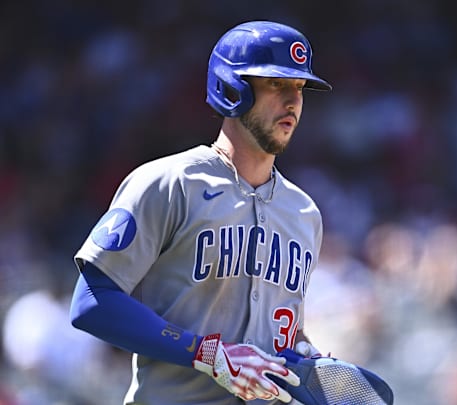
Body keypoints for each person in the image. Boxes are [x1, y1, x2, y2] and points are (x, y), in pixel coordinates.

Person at [69, 20, 332, 404]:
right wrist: (206, 353)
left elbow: (278, 333)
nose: (293, 101)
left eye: (299, 87)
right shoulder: (169, 182)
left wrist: (304, 357)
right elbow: (93, 300)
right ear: (232, 88)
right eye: (276, 84)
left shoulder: (305, 214)